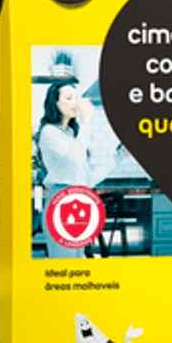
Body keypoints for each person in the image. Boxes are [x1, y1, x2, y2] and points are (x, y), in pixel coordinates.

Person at [35, 80, 119, 258]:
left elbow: (87, 178)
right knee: (64, 263)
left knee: (77, 261)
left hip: (79, 200)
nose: (76, 102)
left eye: (76, 97)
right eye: (69, 98)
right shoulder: (49, 133)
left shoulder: (71, 134)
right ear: (55, 103)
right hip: (61, 201)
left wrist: (119, 156)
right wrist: (86, 121)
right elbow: (74, 158)